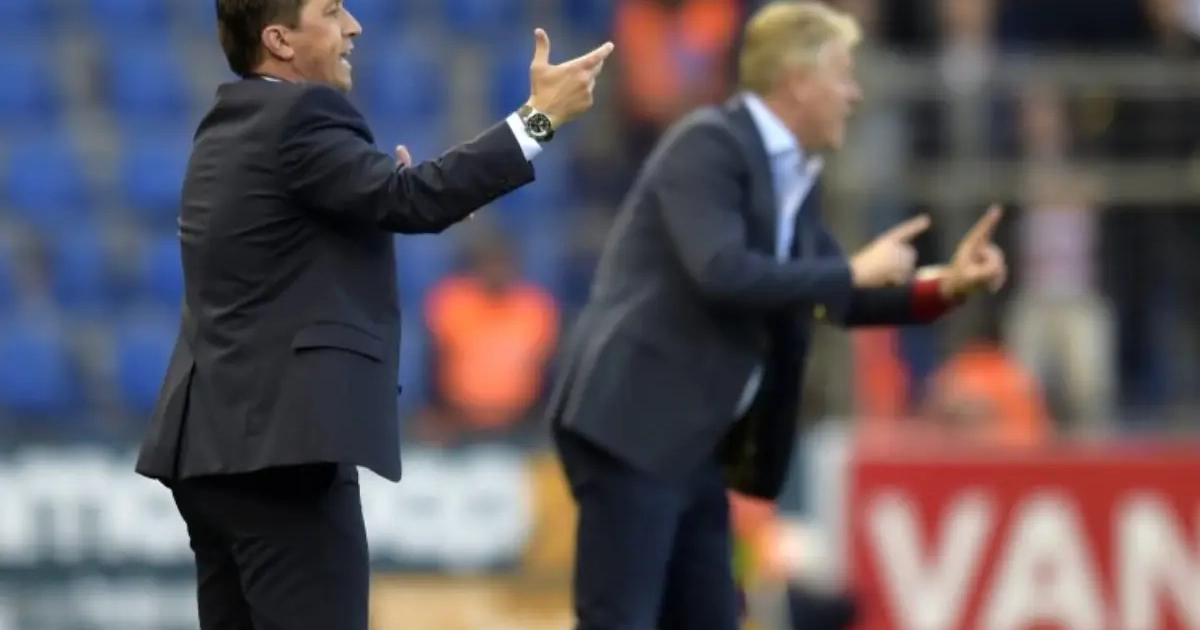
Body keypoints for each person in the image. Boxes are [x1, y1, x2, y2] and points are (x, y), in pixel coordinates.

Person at [132, 0, 613, 628]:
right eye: (331, 12)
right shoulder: (302, 114)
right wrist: (540, 119)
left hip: (213, 451)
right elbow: (411, 199)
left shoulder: (231, 120)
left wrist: (393, 193)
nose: (353, 26)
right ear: (279, 40)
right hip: (284, 457)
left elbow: (339, 212)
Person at [543, 2, 1006, 629]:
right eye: (842, 74)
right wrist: (849, 273)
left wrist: (945, 286)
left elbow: (830, 292)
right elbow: (724, 271)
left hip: (690, 444)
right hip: (633, 428)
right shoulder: (707, 145)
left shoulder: (786, 174)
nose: (854, 93)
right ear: (798, 80)